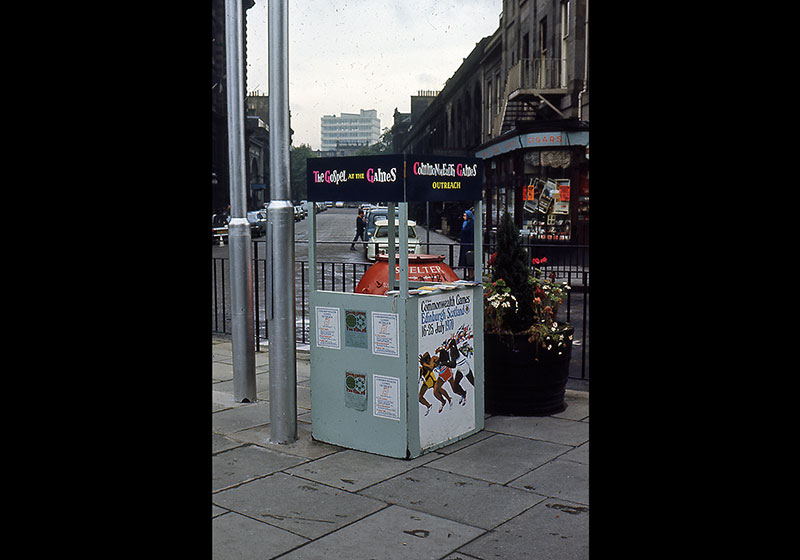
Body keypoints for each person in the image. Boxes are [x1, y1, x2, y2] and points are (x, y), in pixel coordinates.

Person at [459, 209, 474, 279]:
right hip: (464, 244)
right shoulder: (465, 223)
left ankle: (471, 275)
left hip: (469, 244)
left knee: (470, 260)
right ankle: (468, 274)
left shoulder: (472, 224)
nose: (463, 217)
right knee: (466, 260)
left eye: (465, 215)